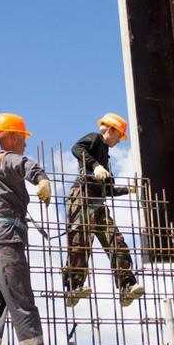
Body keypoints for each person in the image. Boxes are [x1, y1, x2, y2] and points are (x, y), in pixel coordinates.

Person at [0, 112, 74, 345]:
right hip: (6, 239)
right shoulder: (10, 158)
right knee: (21, 302)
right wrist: (42, 181)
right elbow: (27, 165)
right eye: (24, 138)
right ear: (14, 137)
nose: (26, 143)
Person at [61, 113, 144, 308]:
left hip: (98, 204)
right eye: (119, 136)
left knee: (117, 243)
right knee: (79, 243)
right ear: (112, 130)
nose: (119, 141)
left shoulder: (105, 158)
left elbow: (109, 190)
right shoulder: (96, 138)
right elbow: (77, 148)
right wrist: (96, 166)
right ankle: (73, 288)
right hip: (82, 197)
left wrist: (128, 190)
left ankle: (127, 287)